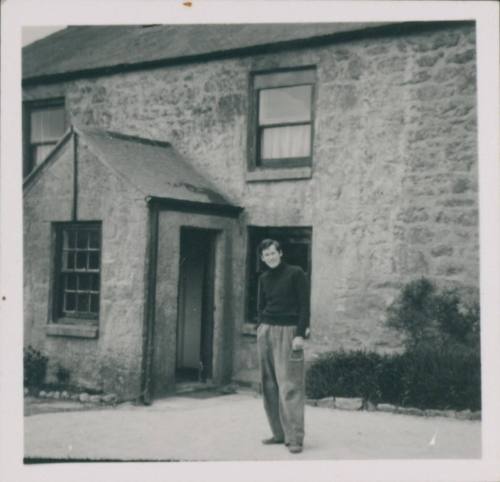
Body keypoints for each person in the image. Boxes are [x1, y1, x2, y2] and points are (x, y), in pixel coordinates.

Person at [256, 238, 310, 454]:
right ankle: (279, 434)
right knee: (269, 385)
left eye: (273, 253)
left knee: (290, 386)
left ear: (280, 253)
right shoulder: (263, 278)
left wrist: (299, 334)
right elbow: (260, 306)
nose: (270, 257)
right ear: (262, 258)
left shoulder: (296, 273)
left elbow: (305, 305)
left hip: (289, 333)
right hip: (267, 331)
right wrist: (261, 327)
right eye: (266, 255)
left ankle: (295, 438)